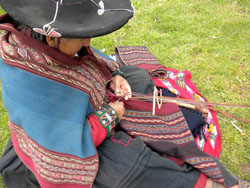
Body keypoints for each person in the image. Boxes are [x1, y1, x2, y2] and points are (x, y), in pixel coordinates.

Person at [0, 0, 244, 187]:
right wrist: (110, 116)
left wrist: (115, 77)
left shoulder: (47, 37)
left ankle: (166, 120)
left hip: (82, 113)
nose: (88, 42)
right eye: (82, 36)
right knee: (128, 159)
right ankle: (202, 183)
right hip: (65, 141)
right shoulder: (36, 81)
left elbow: (91, 61)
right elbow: (69, 139)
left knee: (136, 77)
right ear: (52, 38)